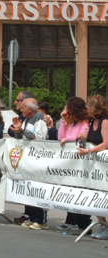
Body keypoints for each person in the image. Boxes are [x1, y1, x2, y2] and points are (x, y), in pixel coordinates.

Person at [53, 97, 91, 235]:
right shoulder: (71, 123)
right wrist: (63, 120)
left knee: (81, 190)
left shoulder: (85, 122)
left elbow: (81, 136)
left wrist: (68, 139)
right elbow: (60, 137)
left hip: (81, 163)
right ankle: (71, 220)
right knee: (70, 189)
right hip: (70, 164)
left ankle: (84, 222)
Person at [10, 98, 48, 230]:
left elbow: (39, 137)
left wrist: (22, 131)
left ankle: (40, 219)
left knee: (37, 188)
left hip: (38, 159)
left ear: (30, 109)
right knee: (28, 189)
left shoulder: (40, 119)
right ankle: (31, 216)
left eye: (23, 108)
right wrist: (17, 130)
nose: (20, 110)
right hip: (27, 159)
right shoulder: (26, 119)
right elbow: (22, 138)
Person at [77, 95, 108, 239]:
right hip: (94, 166)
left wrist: (89, 151)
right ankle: (102, 224)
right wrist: (81, 137)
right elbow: (89, 137)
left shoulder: (105, 121)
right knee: (95, 194)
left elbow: (105, 143)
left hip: (103, 165)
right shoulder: (91, 120)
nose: (86, 108)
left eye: (88, 106)